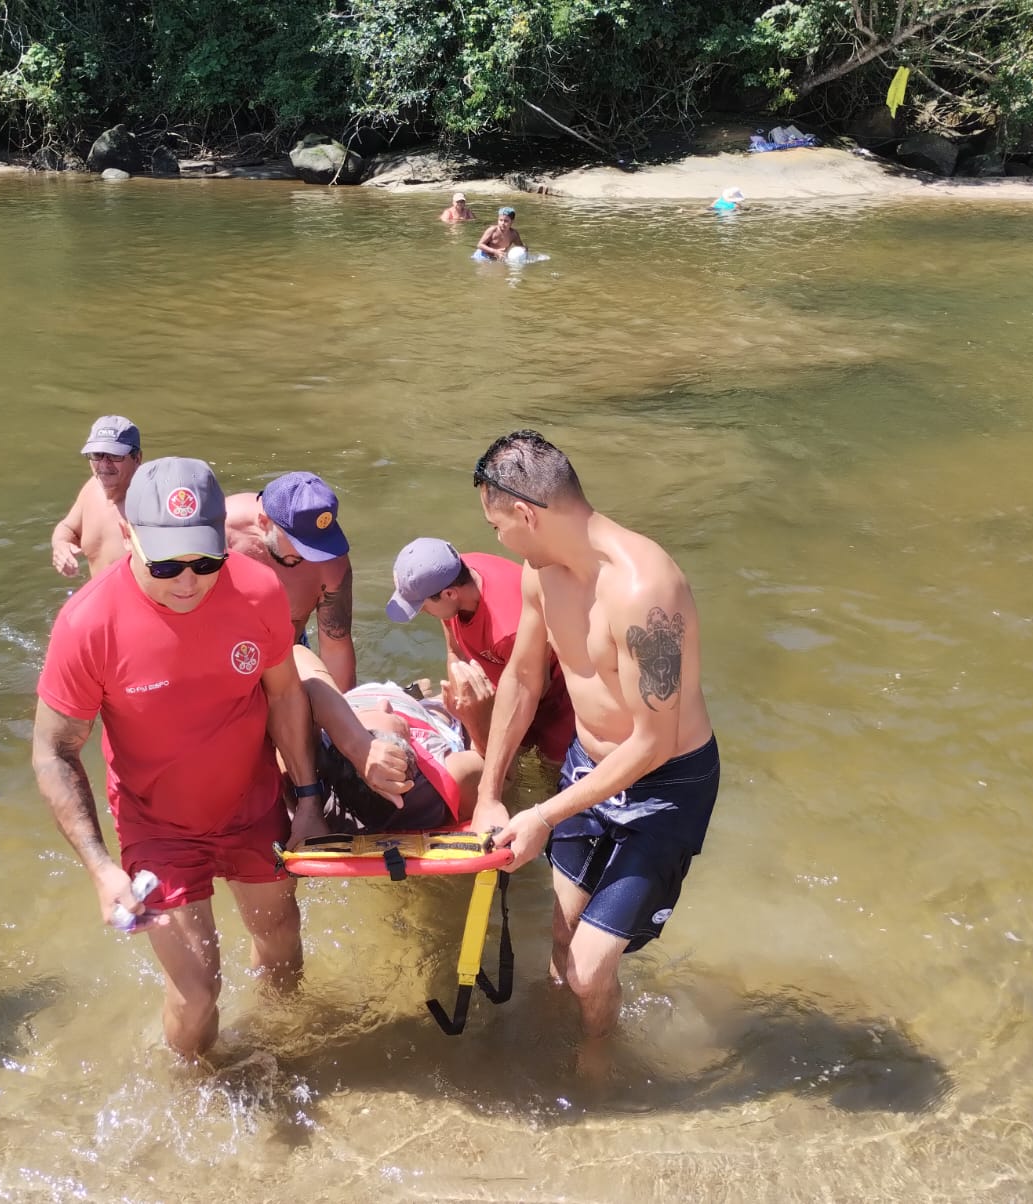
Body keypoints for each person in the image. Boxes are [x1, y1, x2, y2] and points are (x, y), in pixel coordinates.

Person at [32, 457, 322, 1059]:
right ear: (130, 535)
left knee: (282, 944)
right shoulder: (89, 624)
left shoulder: (259, 590)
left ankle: (282, 1053)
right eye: (166, 563)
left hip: (254, 802)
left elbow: (286, 694)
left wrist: (309, 799)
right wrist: (100, 869)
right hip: (156, 822)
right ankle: (197, 1093)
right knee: (197, 993)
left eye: (204, 560)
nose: (187, 580)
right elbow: (55, 752)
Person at [468, 430, 719, 1051]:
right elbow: (524, 681)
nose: (498, 540)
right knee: (561, 939)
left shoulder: (643, 590)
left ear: (526, 513)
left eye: (498, 526)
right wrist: (490, 794)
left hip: (666, 784)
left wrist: (542, 815)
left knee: (585, 968)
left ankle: (596, 1067)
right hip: (588, 766)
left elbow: (653, 743)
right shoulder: (540, 573)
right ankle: (569, 1028)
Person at [385, 537, 574, 765]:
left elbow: (533, 690)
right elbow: (455, 653)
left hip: (556, 698)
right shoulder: (452, 572)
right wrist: (464, 701)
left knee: (548, 770)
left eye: (423, 606)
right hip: (508, 678)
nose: (422, 612)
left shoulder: (508, 630)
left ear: (449, 594)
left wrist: (485, 727)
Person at [287, 645, 489, 847]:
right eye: (389, 714)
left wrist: (307, 801)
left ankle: (415, 695)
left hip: (347, 703)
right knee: (446, 711)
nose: (384, 704)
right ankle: (420, 696)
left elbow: (297, 652)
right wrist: (476, 718)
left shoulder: (312, 761)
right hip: (416, 713)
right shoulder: (449, 774)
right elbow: (499, 776)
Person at [225, 472, 356, 691]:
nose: (312, 555)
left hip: (287, 653)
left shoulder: (332, 563)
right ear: (264, 522)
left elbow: (336, 648)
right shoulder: (218, 531)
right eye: (300, 543)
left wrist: (346, 713)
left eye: (320, 543)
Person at [50, 415, 144, 578]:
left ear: (137, 458)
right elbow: (68, 527)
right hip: (100, 599)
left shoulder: (150, 504)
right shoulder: (92, 488)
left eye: (115, 455)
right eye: (97, 454)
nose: (104, 464)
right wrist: (61, 545)